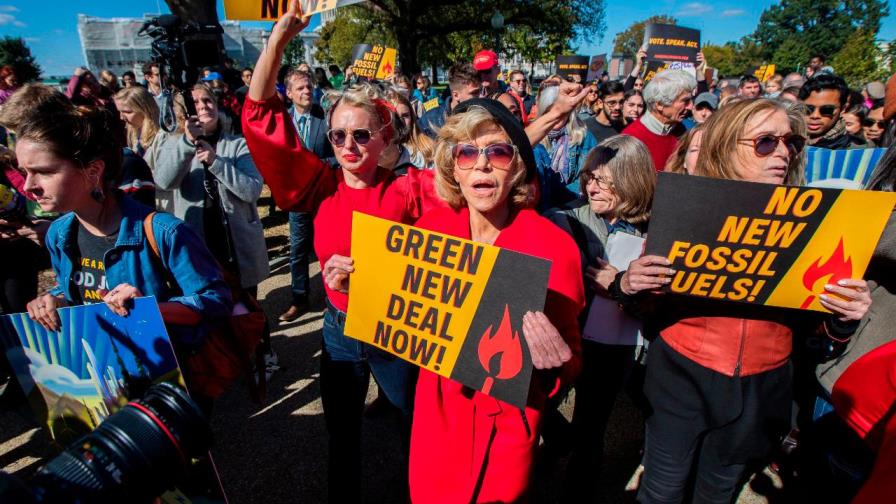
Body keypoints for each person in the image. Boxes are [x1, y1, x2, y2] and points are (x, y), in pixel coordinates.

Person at [617, 98, 871, 503]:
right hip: (679, 379)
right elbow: (646, 312)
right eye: (766, 142)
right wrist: (629, 286)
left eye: (792, 143)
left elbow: (816, 336)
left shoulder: (818, 225)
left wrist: (842, 317)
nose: (784, 153)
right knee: (661, 492)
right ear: (725, 146)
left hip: (763, 391)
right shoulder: (686, 212)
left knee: (717, 494)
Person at [241, 6, 442, 500]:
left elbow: (473, 213)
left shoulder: (411, 188)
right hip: (339, 330)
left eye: (360, 134)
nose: (348, 144)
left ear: (383, 137)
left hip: (398, 330)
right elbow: (261, 117)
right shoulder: (318, 186)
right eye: (337, 135)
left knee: (413, 430)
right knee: (342, 437)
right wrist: (277, 43)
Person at [409, 98, 585, 504]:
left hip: (509, 418)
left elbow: (571, 358)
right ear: (453, 167)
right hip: (438, 412)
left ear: (518, 166)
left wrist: (557, 362)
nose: (482, 164)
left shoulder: (554, 246)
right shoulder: (429, 231)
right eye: (467, 152)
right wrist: (354, 284)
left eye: (498, 151)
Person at [16, 89, 231, 392]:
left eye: (43, 172)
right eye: (24, 171)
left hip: (165, 381)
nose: (28, 186)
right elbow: (75, 289)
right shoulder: (58, 235)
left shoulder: (163, 232)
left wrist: (151, 309)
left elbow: (216, 302)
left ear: (93, 172)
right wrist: (55, 300)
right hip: (100, 381)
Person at [546, 135, 656, 500]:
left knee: (591, 426)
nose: (593, 187)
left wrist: (624, 291)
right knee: (538, 406)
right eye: (590, 177)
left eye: (606, 180)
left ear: (633, 179)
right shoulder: (562, 220)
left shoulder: (656, 233)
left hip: (614, 349)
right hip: (564, 338)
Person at [152, 82, 269, 298]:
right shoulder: (174, 144)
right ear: (184, 112)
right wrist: (188, 143)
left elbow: (251, 190)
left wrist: (216, 162)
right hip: (197, 246)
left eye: (208, 100)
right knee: (210, 314)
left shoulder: (238, 145)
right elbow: (164, 182)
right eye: (195, 103)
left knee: (247, 314)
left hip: (236, 247)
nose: (204, 106)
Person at [279, 69, 334, 322]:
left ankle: (331, 299)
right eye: (300, 88)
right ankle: (299, 299)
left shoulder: (326, 118)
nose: (307, 91)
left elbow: (339, 155)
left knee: (328, 247)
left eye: (309, 87)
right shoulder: (282, 123)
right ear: (288, 93)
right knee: (298, 250)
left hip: (324, 195)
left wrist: (316, 164)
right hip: (298, 199)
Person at [534, 80, 599, 207]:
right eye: (550, 111)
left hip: (571, 205)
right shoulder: (535, 138)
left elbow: (588, 175)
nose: (557, 116)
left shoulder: (584, 136)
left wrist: (561, 196)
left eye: (561, 111)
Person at [622, 69, 695, 171]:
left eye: (691, 100)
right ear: (660, 104)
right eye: (685, 101)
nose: (691, 107)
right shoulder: (631, 139)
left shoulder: (683, 131)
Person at [800, 74, 865, 149]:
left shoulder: (857, 152)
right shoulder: (788, 141)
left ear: (843, 109)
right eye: (808, 109)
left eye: (827, 110)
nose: (815, 115)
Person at [419, 63, 482, 138]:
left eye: (480, 91)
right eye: (475, 93)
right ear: (456, 95)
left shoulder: (484, 116)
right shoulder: (430, 120)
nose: (481, 96)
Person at [384, 88, 434, 170]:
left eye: (405, 115)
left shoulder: (427, 148)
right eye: (395, 116)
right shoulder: (380, 152)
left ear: (412, 118)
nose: (401, 121)